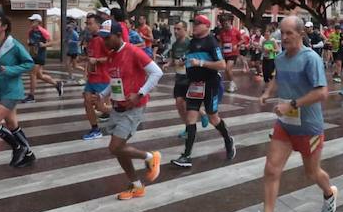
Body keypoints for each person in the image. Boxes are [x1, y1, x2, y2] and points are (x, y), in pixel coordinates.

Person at [247, 15, 338, 212]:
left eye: (289, 33)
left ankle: (329, 193)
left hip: (309, 127)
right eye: (282, 32)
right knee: (271, 169)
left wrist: (293, 104)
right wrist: (268, 93)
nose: (284, 37)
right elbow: (278, 78)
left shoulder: (310, 59)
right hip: (286, 125)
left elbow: (322, 92)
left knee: (312, 172)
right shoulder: (280, 58)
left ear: (301, 34)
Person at [96, 20, 163, 199]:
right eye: (102, 38)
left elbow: (157, 72)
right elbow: (114, 81)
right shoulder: (112, 55)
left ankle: (150, 157)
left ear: (119, 35)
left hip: (133, 107)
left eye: (107, 38)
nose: (105, 42)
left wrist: (140, 94)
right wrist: (102, 95)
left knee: (115, 147)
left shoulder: (133, 51)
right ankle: (136, 185)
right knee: (120, 148)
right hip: (118, 106)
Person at [171, 14, 236, 168]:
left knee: (214, 118)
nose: (196, 26)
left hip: (210, 84)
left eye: (199, 23)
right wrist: (184, 60)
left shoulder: (211, 42)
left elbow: (222, 65)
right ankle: (186, 156)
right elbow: (191, 57)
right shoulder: (192, 42)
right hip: (194, 84)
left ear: (207, 26)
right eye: (194, 23)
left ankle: (228, 140)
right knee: (191, 117)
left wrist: (200, 63)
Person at [0, 15, 39, 167]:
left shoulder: (14, 45)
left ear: (4, 27)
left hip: (13, 90)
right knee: (12, 124)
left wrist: (11, 69)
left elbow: (29, 64)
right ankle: (29, 155)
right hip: (1, 91)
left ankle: (17, 147)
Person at [80, 13, 111, 140]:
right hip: (92, 78)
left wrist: (97, 60)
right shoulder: (91, 40)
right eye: (86, 23)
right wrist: (85, 60)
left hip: (102, 78)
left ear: (98, 25)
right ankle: (95, 129)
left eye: (90, 23)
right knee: (87, 101)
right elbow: (91, 58)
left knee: (101, 107)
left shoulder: (103, 40)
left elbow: (111, 57)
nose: (87, 26)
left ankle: (126, 113)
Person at [24, 14, 62, 101]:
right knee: (39, 75)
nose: (31, 22)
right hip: (33, 55)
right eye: (30, 21)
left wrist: (44, 44)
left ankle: (31, 96)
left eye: (33, 21)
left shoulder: (43, 31)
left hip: (40, 55)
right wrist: (29, 43)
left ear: (38, 22)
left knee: (32, 74)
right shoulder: (30, 31)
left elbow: (53, 42)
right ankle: (57, 84)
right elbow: (30, 42)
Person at [214, 12, 243, 93]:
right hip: (225, 53)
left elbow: (242, 39)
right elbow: (221, 42)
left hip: (233, 53)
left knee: (228, 68)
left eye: (227, 22)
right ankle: (232, 83)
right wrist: (219, 49)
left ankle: (232, 84)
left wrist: (237, 45)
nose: (226, 24)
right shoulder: (222, 32)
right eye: (224, 22)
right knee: (226, 70)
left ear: (230, 21)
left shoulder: (235, 31)